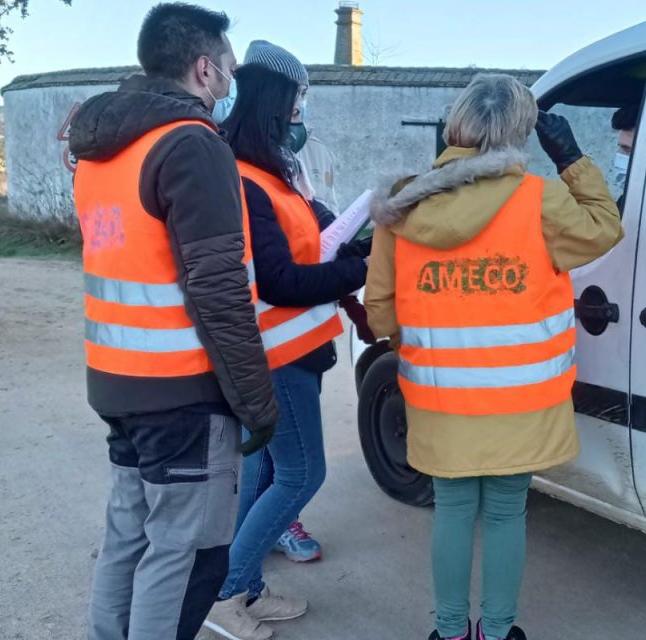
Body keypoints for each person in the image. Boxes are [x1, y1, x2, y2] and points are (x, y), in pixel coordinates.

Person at [363, 74, 622, 640]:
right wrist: (572, 158)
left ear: (455, 124)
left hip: (437, 399)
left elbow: (379, 310)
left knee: (454, 511)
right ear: (520, 132)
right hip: (522, 401)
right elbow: (605, 228)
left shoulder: (402, 205)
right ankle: (498, 631)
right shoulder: (539, 198)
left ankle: (451, 632)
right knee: (506, 512)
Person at [69, 4, 278, 639]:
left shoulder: (102, 150)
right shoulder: (192, 145)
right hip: (182, 389)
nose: (233, 80)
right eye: (230, 68)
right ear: (204, 67)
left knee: (128, 540)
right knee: (185, 556)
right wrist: (257, 401)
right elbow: (218, 289)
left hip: (118, 381)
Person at [203, 41, 372, 640]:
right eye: (296, 99)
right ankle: (226, 592)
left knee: (264, 473)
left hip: (286, 348)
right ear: (276, 101)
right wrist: (360, 269)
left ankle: (241, 585)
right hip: (277, 352)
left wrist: (346, 247)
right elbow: (280, 280)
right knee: (301, 475)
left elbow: (301, 254)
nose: (301, 111)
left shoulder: (266, 173)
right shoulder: (248, 179)